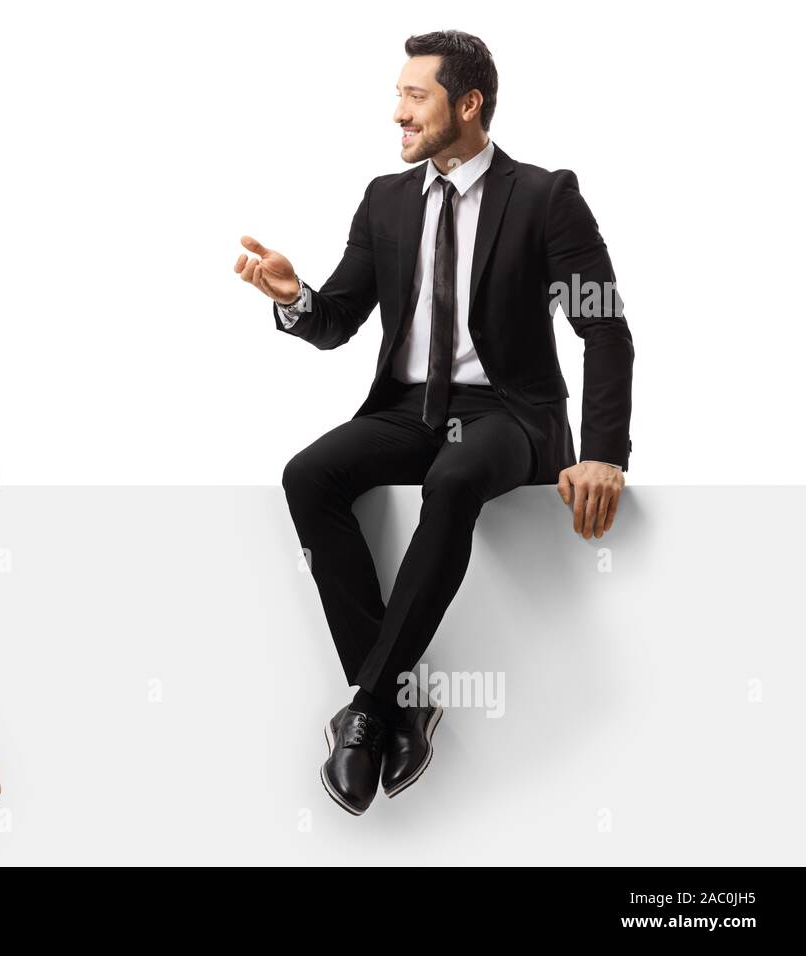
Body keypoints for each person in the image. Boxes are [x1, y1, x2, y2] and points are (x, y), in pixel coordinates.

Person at [234, 30, 633, 815]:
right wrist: (293, 297)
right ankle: (399, 702)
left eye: (414, 98)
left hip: (509, 414)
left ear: (468, 103)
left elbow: (605, 327)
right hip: (411, 409)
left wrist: (605, 454)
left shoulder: (546, 196)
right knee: (307, 474)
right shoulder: (386, 198)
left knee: (453, 480)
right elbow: (339, 319)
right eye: (398, 97)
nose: (397, 115)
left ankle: (368, 711)